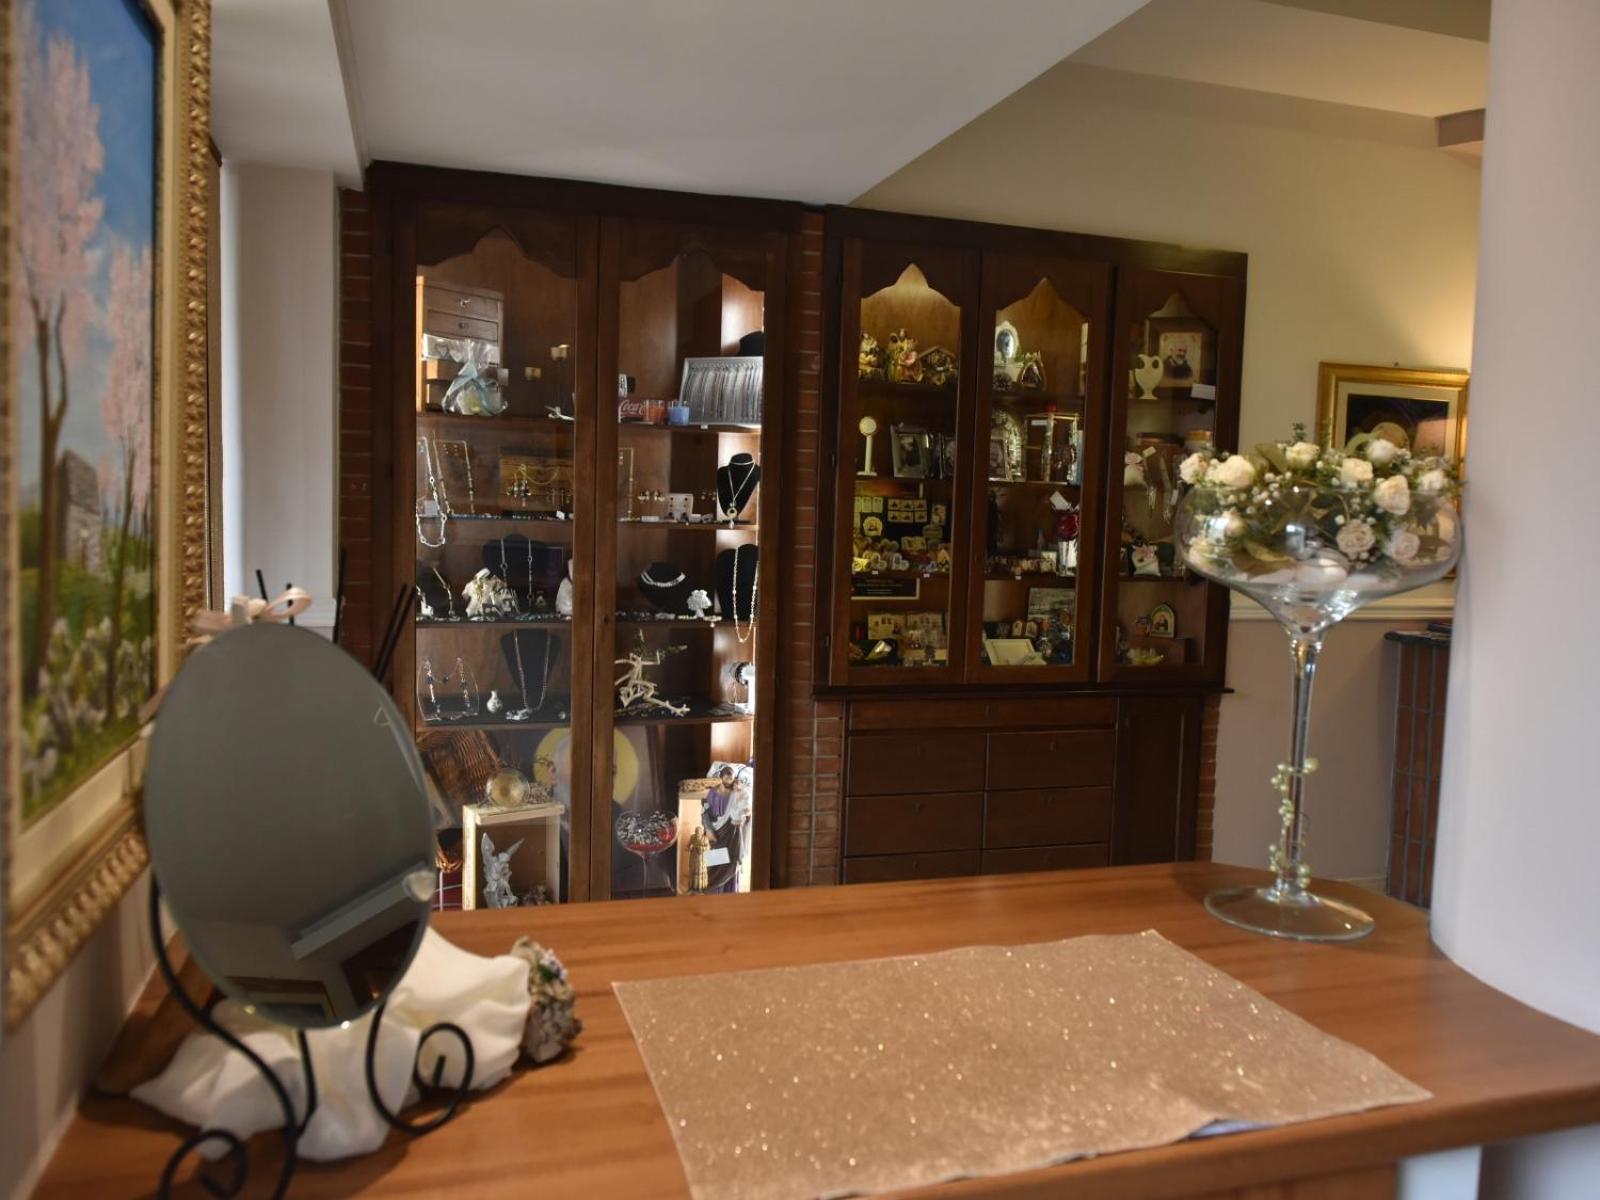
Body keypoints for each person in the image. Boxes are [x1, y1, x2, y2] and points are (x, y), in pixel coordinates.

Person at [701, 767, 748, 893]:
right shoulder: (712, 793)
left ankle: (729, 892)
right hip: (717, 833)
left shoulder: (737, 793)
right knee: (716, 863)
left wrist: (742, 818)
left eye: (730, 778)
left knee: (731, 861)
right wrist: (709, 829)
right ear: (721, 777)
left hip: (733, 833)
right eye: (726, 778)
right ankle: (714, 892)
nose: (728, 781)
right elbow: (705, 812)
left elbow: (745, 810)